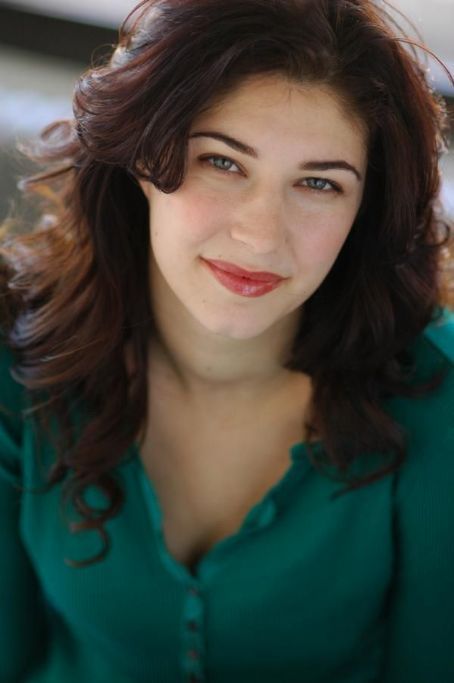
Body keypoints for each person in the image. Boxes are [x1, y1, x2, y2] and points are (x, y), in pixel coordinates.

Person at [0, 0, 453, 681]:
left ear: (364, 208)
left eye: (319, 183)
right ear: (144, 157)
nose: (261, 236)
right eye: (222, 161)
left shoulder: (438, 400)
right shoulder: (17, 359)